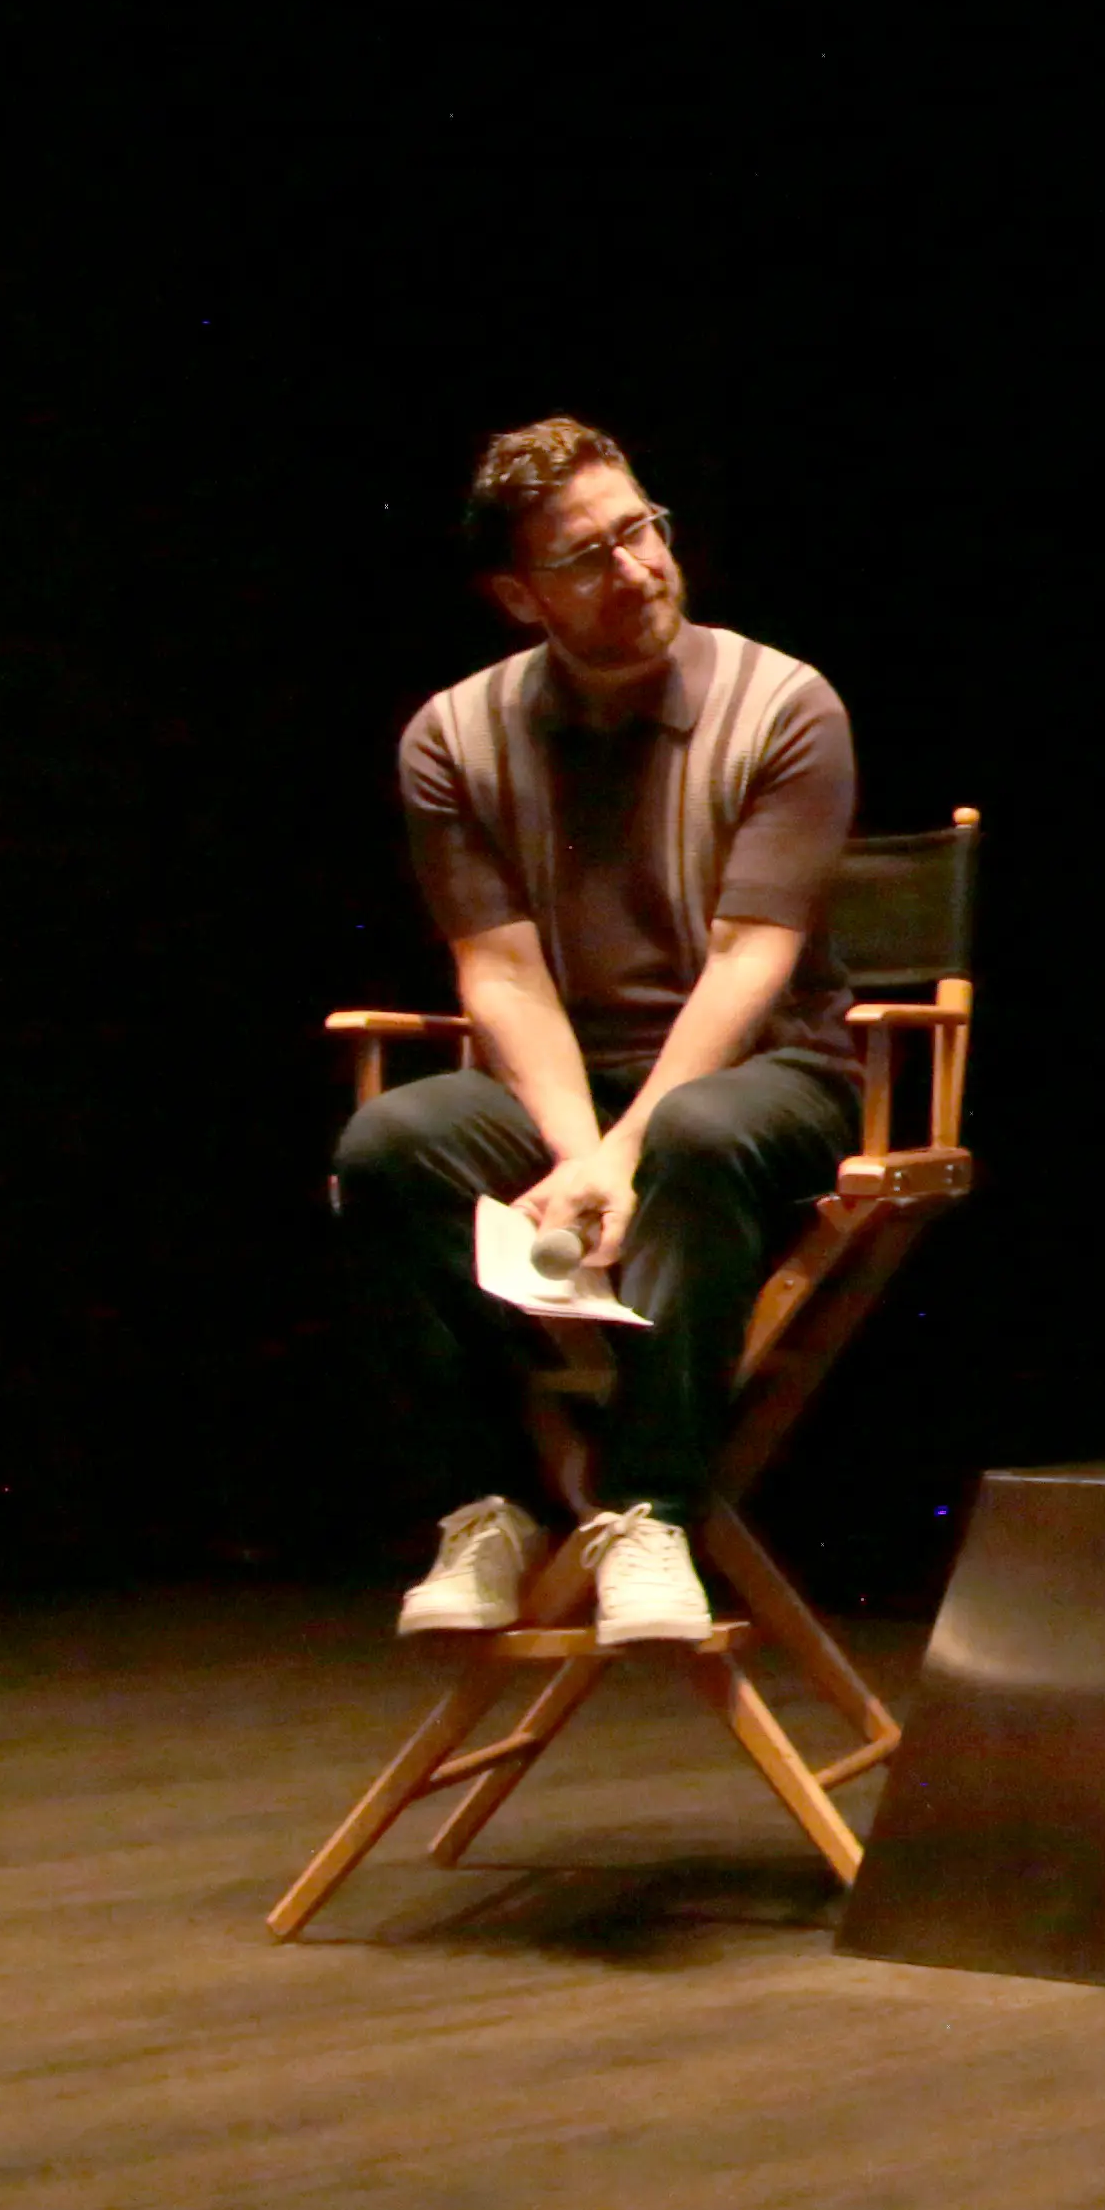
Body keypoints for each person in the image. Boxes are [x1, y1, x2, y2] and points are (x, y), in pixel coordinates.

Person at [333, 419, 865, 1653]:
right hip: (565, 1082)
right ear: (522, 596)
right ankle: (488, 1509)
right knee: (388, 1144)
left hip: (764, 1069)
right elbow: (501, 970)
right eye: (590, 556)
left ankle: (650, 1510)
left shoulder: (784, 704)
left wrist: (619, 1155)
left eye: (644, 530)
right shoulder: (452, 740)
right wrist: (585, 1149)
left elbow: (752, 961)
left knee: (691, 1131)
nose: (637, 569)